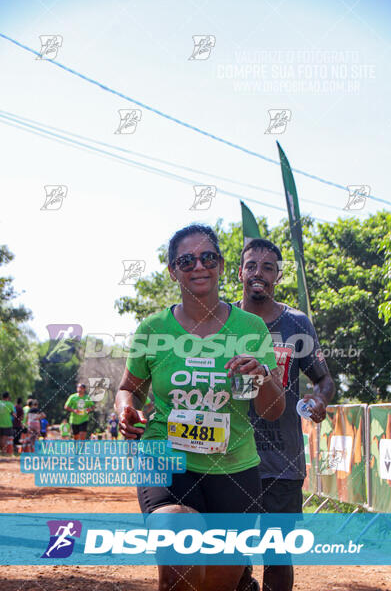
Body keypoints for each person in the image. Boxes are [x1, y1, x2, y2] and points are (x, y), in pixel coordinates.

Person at [115, 224, 285, 591]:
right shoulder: (153, 329)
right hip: (167, 458)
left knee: (217, 583)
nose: (198, 266)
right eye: (186, 260)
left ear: (222, 266)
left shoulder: (250, 328)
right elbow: (128, 389)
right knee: (181, 535)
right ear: (173, 270)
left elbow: (272, 410)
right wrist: (126, 409)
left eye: (208, 257)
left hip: (235, 467)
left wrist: (263, 376)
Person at [235, 238, 335, 591]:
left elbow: (324, 379)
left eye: (267, 268)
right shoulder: (223, 320)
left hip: (282, 459)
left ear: (278, 276)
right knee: (232, 555)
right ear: (240, 272)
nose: (258, 273)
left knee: (277, 554)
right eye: (251, 266)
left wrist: (319, 399)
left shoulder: (296, 323)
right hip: (229, 458)